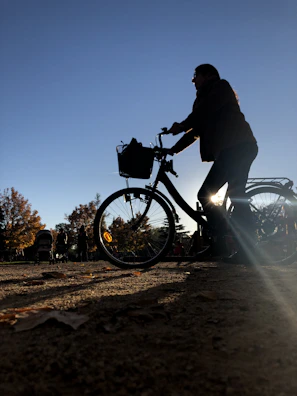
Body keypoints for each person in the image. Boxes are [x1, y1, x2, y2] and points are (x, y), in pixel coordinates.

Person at [167, 64, 258, 263]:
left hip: (238, 147)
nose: (193, 81)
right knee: (234, 194)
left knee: (210, 194)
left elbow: (203, 113)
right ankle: (227, 246)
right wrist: (173, 149)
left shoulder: (220, 88)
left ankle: (228, 245)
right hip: (233, 149)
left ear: (208, 75)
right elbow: (197, 129)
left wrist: (182, 125)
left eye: (196, 76)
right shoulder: (202, 98)